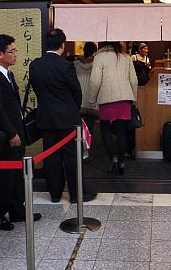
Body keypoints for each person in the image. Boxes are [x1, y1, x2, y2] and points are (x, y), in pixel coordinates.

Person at [0, 34, 42, 229]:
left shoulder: (8, 73)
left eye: (15, 51)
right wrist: (11, 132)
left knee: (16, 176)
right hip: (6, 136)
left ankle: (16, 210)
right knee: (5, 177)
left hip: (16, 131)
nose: (15, 55)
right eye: (11, 51)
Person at [29, 29, 97, 203]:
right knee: (71, 157)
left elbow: (37, 89)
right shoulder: (66, 66)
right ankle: (76, 194)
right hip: (67, 118)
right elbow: (77, 92)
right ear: (62, 45)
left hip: (45, 117)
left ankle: (54, 194)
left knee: (50, 156)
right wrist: (72, 109)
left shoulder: (35, 65)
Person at [89, 42, 138, 175]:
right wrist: (133, 98)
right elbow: (134, 80)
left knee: (105, 130)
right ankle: (121, 161)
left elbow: (95, 80)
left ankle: (113, 158)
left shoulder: (100, 57)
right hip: (125, 98)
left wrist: (92, 99)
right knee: (122, 131)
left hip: (107, 98)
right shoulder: (126, 57)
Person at [74, 41, 98, 160]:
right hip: (92, 100)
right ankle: (87, 152)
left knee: (79, 127)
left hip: (79, 100)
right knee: (90, 128)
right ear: (95, 51)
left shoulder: (75, 64)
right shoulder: (97, 64)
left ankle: (80, 151)